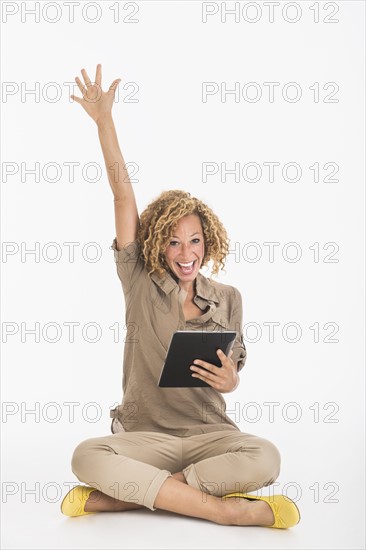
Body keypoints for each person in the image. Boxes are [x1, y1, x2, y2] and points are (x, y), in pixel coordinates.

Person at [60, 64, 300, 528]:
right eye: (172, 241)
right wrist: (104, 121)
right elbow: (122, 197)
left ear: (207, 240)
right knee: (87, 455)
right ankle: (227, 513)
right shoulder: (139, 282)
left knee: (265, 457)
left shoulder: (229, 297)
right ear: (156, 245)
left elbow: (232, 374)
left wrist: (230, 381)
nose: (185, 252)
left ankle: (124, 497)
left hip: (210, 435)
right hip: (146, 438)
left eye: (193, 240)